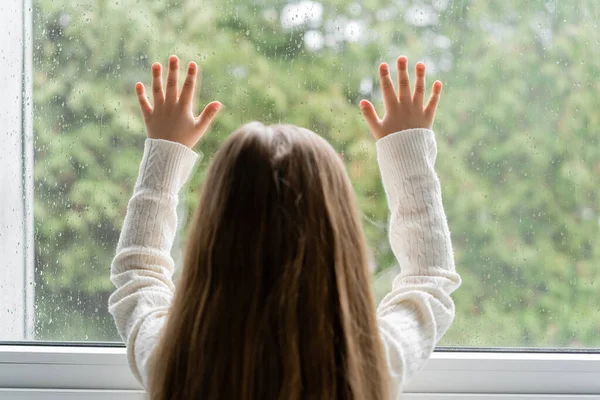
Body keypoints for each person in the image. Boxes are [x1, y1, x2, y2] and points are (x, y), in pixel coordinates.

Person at [108, 54, 461, 399]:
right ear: (340, 241)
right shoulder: (369, 364)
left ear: (213, 237)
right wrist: (407, 147)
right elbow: (428, 279)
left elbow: (139, 274)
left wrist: (166, 150)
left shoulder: (173, 361)